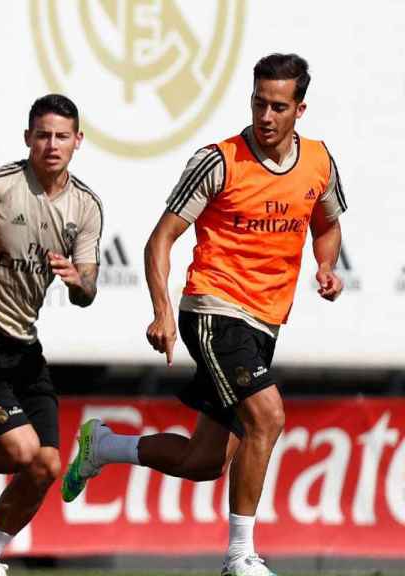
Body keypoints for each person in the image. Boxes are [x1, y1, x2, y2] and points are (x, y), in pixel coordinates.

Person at [62, 53, 347, 576]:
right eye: (258, 102)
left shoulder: (320, 163)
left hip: (264, 322)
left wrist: (326, 266)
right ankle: (240, 556)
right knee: (270, 415)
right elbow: (160, 240)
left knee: (205, 462)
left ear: (299, 110)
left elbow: (326, 224)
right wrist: (163, 313)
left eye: (278, 107)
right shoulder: (218, 161)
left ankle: (103, 445)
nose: (265, 115)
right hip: (213, 310)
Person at [0, 94, 102, 576]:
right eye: (43, 135)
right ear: (28, 138)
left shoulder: (85, 208)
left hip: (24, 345)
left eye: (62, 136)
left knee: (46, 466)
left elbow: (87, 288)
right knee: (22, 451)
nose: (52, 145)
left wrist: (79, 281)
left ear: (78, 141)